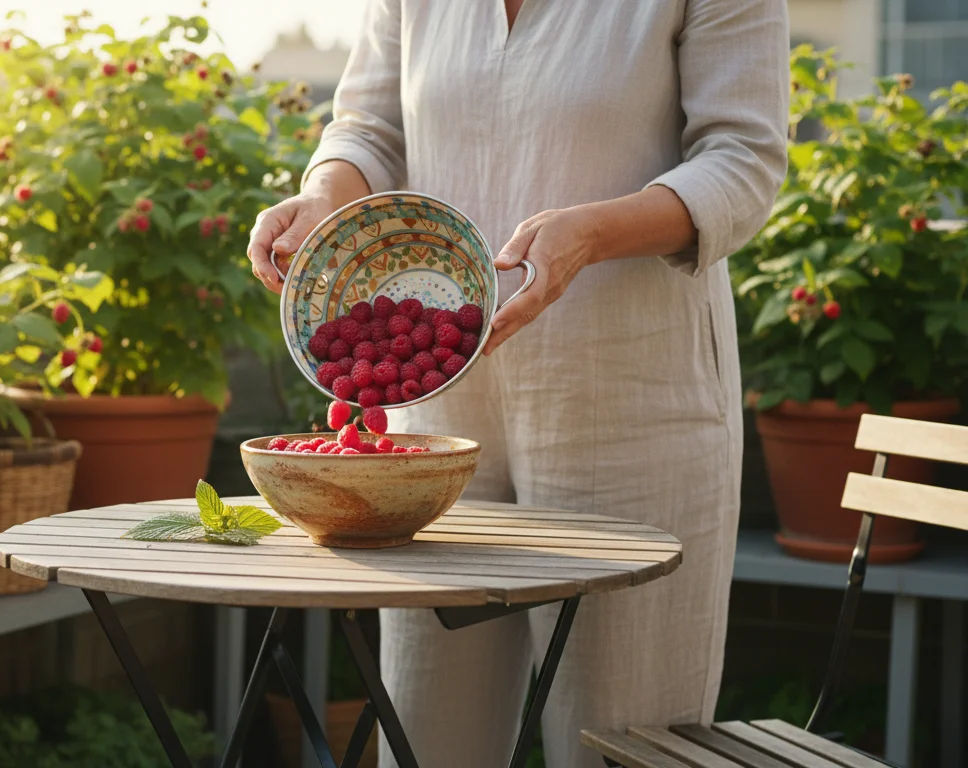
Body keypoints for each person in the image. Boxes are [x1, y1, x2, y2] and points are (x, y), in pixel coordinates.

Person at [246, 1, 789, 766]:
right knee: (427, 737)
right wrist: (323, 197)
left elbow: (743, 158)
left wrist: (591, 234)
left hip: (629, 398)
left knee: (619, 741)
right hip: (438, 415)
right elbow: (369, 129)